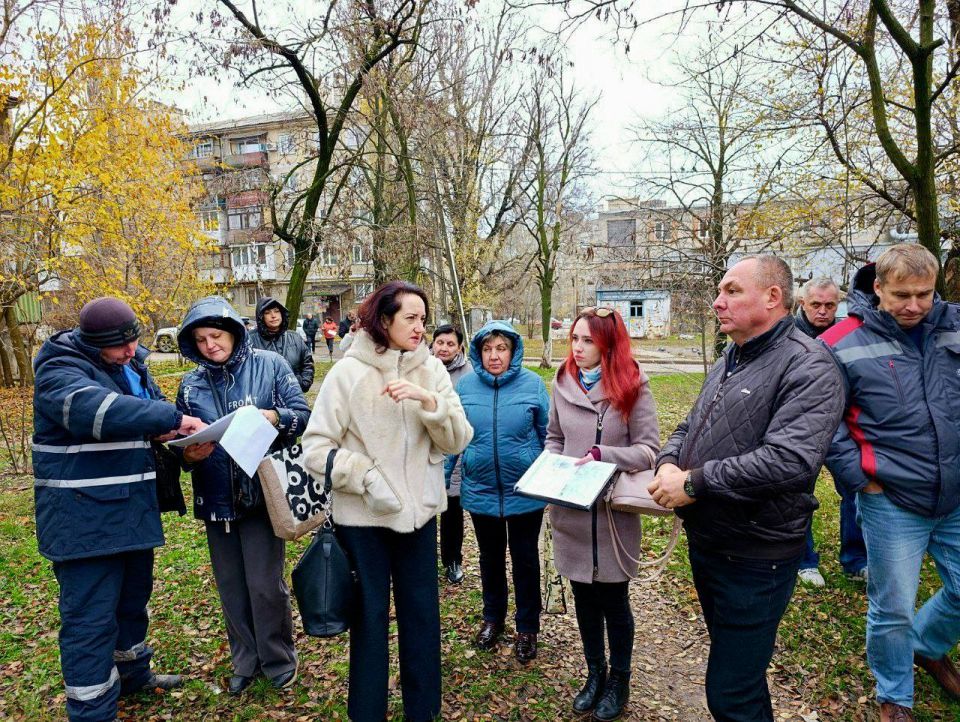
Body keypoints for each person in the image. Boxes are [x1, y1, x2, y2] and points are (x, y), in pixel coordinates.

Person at [649, 255, 844, 721]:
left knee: (730, 693)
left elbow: (790, 462)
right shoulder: (730, 358)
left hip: (757, 554)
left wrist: (694, 482)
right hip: (712, 543)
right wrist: (668, 462)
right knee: (742, 676)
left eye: (731, 291)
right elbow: (690, 426)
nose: (717, 301)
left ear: (772, 297)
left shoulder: (810, 366)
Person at [301, 281, 472, 722]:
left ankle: (423, 712)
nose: (420, 328)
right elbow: (314, 449)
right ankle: (367, 712)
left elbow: (458, 439)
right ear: (384, 320)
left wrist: (429, 401)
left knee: (422, 620)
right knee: (370, 623)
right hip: (364, 523)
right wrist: (365, 477)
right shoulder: (348, 372)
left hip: (419, 520)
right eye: (410, 318)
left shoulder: (432, 370)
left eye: (423, 318)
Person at [32, 297, 206, 722]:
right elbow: (99, 412)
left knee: (132, 603)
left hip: (129, 511)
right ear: (92, 344)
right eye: (120, 346)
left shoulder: (131, 365)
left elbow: (153, 422)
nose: (131, 352)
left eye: (134, 341)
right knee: (90, 619)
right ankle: (92, 710)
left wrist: (183, 444)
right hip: (82, 520)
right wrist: (169, 417)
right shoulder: (59, 371)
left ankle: (132, 676)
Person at [822, 244, 960, 722]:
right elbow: (823, 422)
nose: (914, 306)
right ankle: (895, 696)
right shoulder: (840, 340)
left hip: (955, 494)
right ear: (877, 287)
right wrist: (860, 478)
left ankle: (927, 645)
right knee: (893, 607)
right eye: (901, 294)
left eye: (924, 294)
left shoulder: (955, 325)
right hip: (891, 500)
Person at [173, 296, 310, 696]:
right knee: (231, 587)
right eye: (199, 340)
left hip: (262, 495)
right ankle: (244, 660)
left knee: (265, 586)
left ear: (233, 331)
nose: (209, 345)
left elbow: (302, 416)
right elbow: (182, 448)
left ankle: (277, 658)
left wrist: (275, 416)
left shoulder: (270, 365)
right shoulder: (191, 383)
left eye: (215, 335)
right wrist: (190, 455)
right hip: (216, 499)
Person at [546, 307, 660, 721]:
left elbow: (649, 450)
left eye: (587, 341)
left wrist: (602, 455)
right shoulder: (561, 381)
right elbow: (554, 437)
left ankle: (619, 680)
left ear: (608, 343)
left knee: (614, 600)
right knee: (583, 599)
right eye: (574, 339)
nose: (577, 348)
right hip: (572, 511)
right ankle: (594, 673)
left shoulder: (633, 383)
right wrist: (549, 468)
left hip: (613, 516)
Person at [457, 320, 550, 663]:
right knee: (490, 559)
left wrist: (548, 482)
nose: (494, 356)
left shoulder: (533, 385)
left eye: (501, 348)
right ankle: (492, 619)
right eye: (487, 349)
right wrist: (443, 478)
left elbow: (549, 437)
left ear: (513, 351)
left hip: (525, 492)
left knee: (525, 560)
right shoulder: (465, 387)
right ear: (478, 352)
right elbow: (454, 438)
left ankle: (528, 627)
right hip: (480, 491)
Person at [794, 277, 868, 588]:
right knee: (799, 495)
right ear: (803, 304)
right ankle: (804, 561)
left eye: (830, 305)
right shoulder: (789, 335)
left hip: (843, 429)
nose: (823, 311)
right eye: (816, 305)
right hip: (800, 427)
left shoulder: (848, 335)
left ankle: (856, 559)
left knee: (855, 491)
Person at [431, 324, 474, 584]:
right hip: (424, 451)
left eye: (450, 344)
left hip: (454, 453)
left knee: (451, 511)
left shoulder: (468, 374)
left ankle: (452, 559)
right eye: (440, 342)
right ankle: (421, 562)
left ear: (459, 347)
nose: (444, 348)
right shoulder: (419, 366)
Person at [249, 297, 314, 392]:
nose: (273, 316)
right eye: (267, 313)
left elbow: (307, 363)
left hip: (293, 396)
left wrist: (303, 383)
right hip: (263, 399)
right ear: (261, 317)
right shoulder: (250, 339)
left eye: (276, 311)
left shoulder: (295, 337)